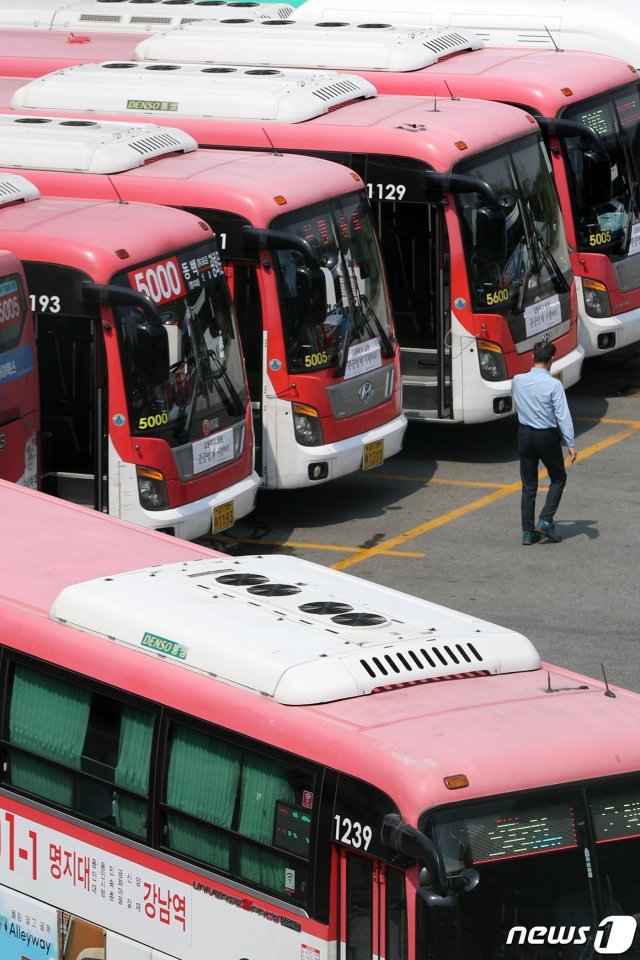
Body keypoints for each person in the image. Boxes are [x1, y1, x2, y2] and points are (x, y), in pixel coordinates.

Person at [512, 340, 577, 545]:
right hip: (546, 437)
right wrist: (571, 443)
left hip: (525, 435)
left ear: (532, 357)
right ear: (551, 360)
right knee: (558, 478)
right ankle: (546, 520)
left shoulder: (518, 380)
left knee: (529, 485)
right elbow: (562, 415)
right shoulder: (554, 385)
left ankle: (528, 532)